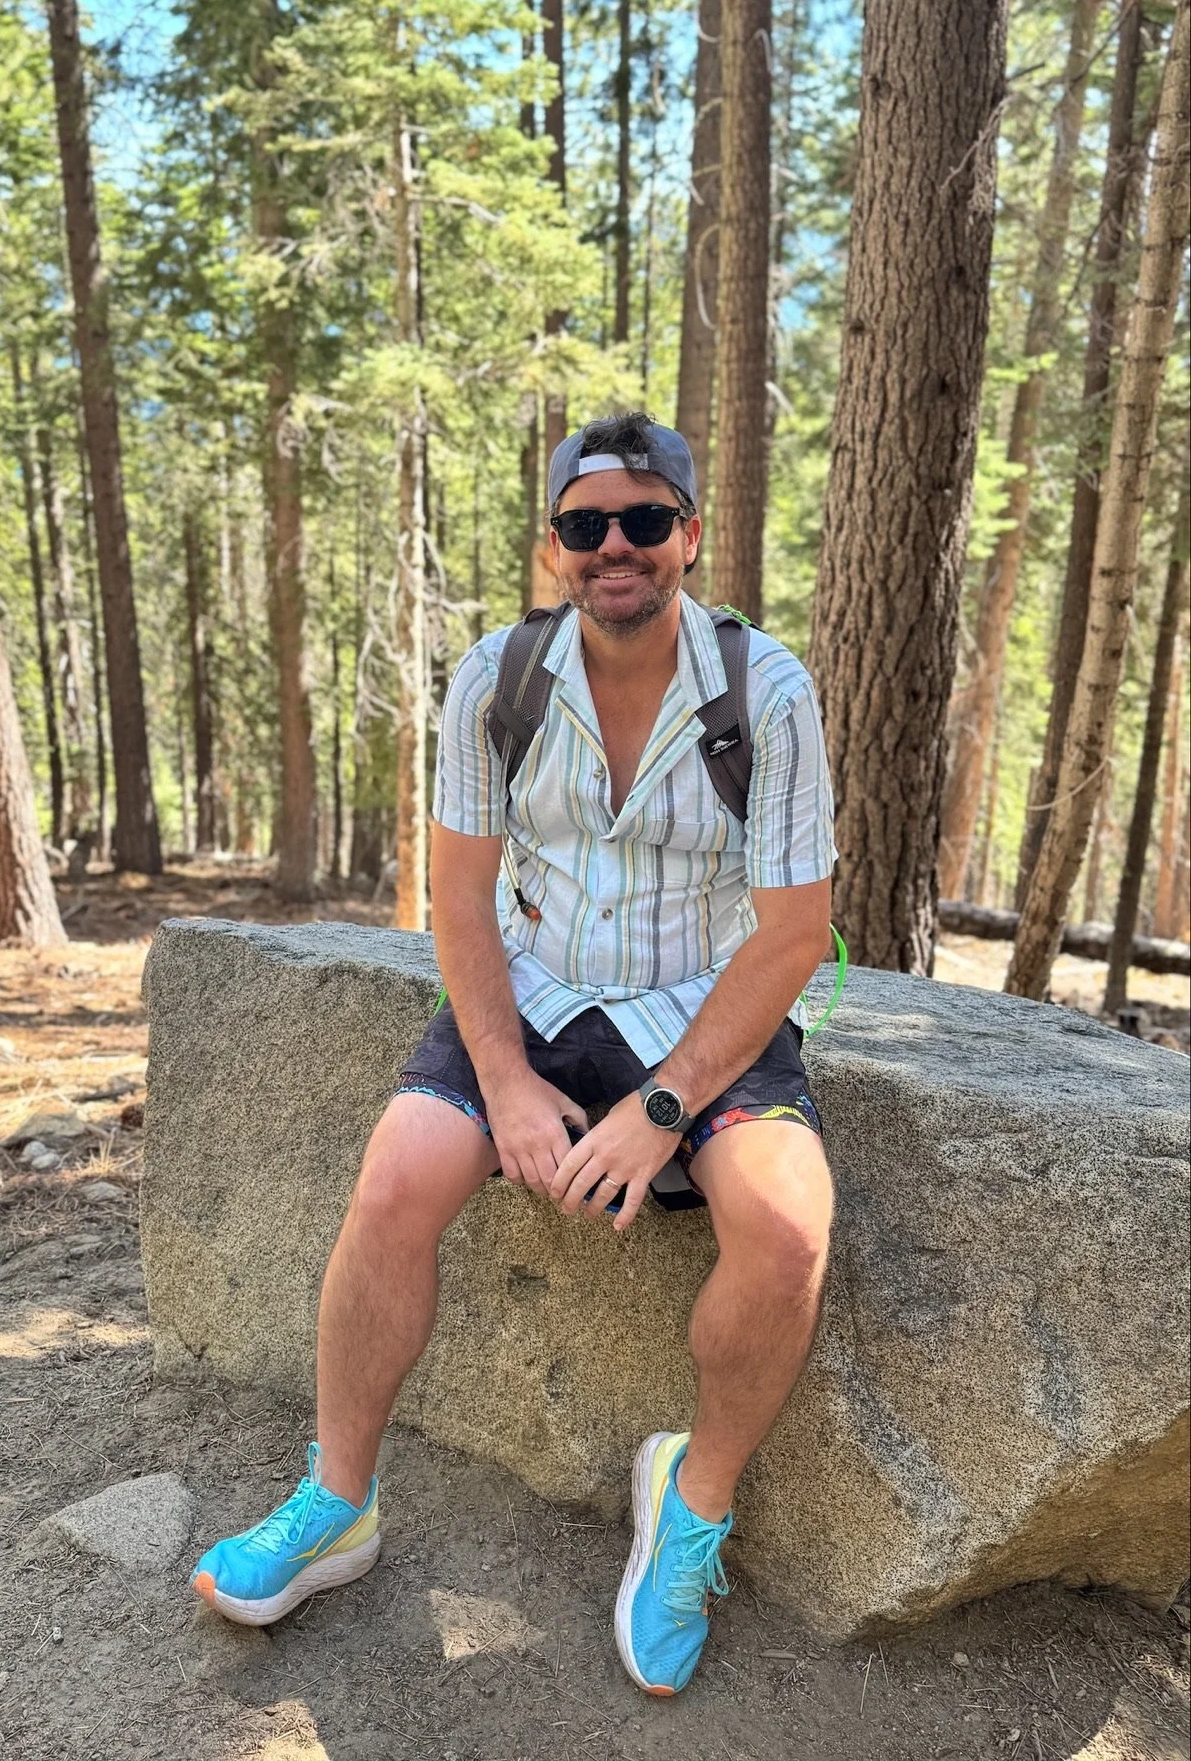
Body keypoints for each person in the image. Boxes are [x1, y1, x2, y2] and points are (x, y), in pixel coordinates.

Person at [192, 412, 836, 1698]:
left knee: (787, 1232)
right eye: (584, 523)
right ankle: (338, 1501)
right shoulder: (498, 676)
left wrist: (661, 1107)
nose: (615, 546)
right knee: (393, 1182)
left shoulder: (764, 690)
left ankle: (687, 1500)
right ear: (552, 547)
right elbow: (462, 894)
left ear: (688, 537)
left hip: (701, 1006)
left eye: (644, 521)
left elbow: (792, 932)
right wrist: (502, 1082)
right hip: (534, 996)